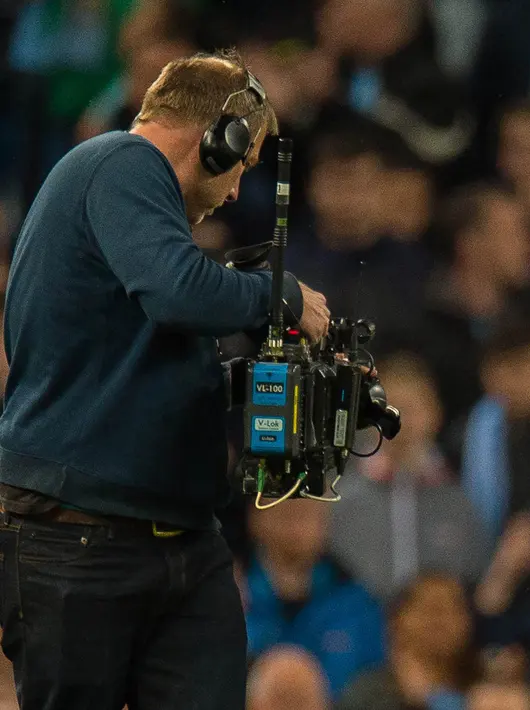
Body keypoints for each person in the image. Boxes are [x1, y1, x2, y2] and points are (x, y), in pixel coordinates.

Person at [0, 50, 330, 709]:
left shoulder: (138, 220)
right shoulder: (120, 163)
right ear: (218, 138)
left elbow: (145, 340)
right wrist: (282, 296)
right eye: (244, 162)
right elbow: (176, 293)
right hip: (80, 534)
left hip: (181, 537)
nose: (237, 190)